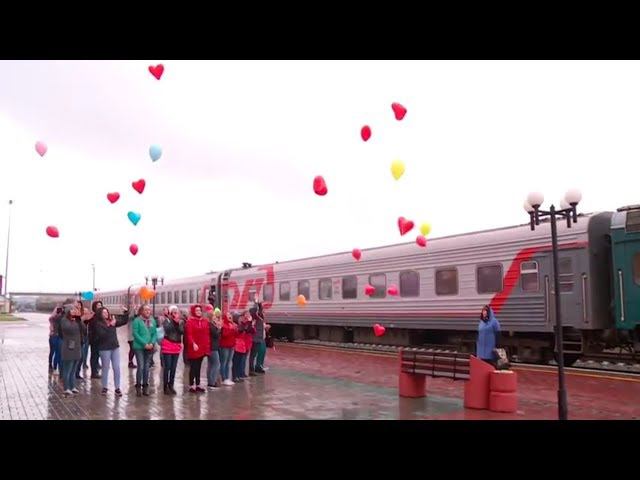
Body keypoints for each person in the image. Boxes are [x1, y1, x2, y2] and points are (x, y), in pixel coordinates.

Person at [94, 306, 128, 396]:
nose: (106, 314)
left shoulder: (112, 321)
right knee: (105, 368)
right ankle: (104, 387)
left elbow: (124, 321)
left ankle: (117, 388)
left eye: (107, 312)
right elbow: (102, 335)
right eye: (104, 312)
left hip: (114, 347)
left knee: (116, 367)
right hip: (104, 348)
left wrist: (126, 313)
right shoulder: (98, 324)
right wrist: (110, 325)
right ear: (100, 314)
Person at [132, 304, 158, 397]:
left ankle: (145, 386)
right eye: (146, 310)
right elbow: (135, 333)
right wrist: (144, 344)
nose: (148, 311)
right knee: (141, 366)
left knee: (147, 367)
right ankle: (138, 386)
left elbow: (154, 333)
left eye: (149, 310)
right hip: (139, 347)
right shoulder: (137, 321)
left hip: (149, 347)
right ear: (141, 311)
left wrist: (152, 343)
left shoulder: (152, 320)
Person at [184, 304, 210, 393]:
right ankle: (191, 384)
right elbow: (189, 334)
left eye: (200, 310)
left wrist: (206, 346)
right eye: (197, 311)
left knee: (199, 366)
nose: (199, 312)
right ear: (193, 312)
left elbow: (206, 334)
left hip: (202, 347)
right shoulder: (190, 322)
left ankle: (198, 384)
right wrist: (193, 343)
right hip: (194, 347)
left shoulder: (205, 321)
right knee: (193, 366)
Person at [59, 304, 83, 396]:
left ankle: (73, 386)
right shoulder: (64, 320)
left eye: (75, 310)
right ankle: (66, 388)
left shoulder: (76, 320)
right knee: (67, 369)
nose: (74, 312)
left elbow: (82, 329)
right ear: (68, 311)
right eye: (72, 310)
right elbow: (69, 329)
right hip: (68, 347)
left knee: (73, 369)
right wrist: (74, 321)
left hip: (77, 347)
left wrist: (79, 320)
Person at [160, 305, 184, 395]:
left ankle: (171, 385)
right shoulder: (167, 321)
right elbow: (168, 329)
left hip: (176, 347)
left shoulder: (180, 322)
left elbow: (182, 331)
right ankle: (165, 387)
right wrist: (173, 321)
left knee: (173, 368)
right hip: (168, 346)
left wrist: (178, 323)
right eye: (173, 312)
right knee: (168, 367)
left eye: (177, 312)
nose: (175, 314)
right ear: (170, 313)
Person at [219, 312, 237, 386]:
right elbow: (224, 334)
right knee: (224, 362)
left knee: (229, 362)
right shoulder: (224, 325)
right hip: (224, 346)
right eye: (228, 315)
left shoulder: (232, 324)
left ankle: (227, 377)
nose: (230, 317)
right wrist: (232, 329)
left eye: (230, 315)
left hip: (231, 345)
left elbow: (236, 334)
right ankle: (223, 378)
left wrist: (234, 328)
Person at [207, 308, 222, 390]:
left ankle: (210, 381)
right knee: (216, 364)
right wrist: (219, 328)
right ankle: (212, 382)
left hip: (211, 347)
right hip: (213, 347)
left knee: (211, 364)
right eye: (213, 316)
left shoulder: (210, 324)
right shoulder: (210, 325)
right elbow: (216, 334)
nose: (215, 317)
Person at [48, 307, 63, 373]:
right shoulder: (58, 318)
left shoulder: (53, 318)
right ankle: (55, 366)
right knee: (57, 352)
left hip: (53, 336)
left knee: (53, 352)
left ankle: (52, 365)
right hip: (55, 336)